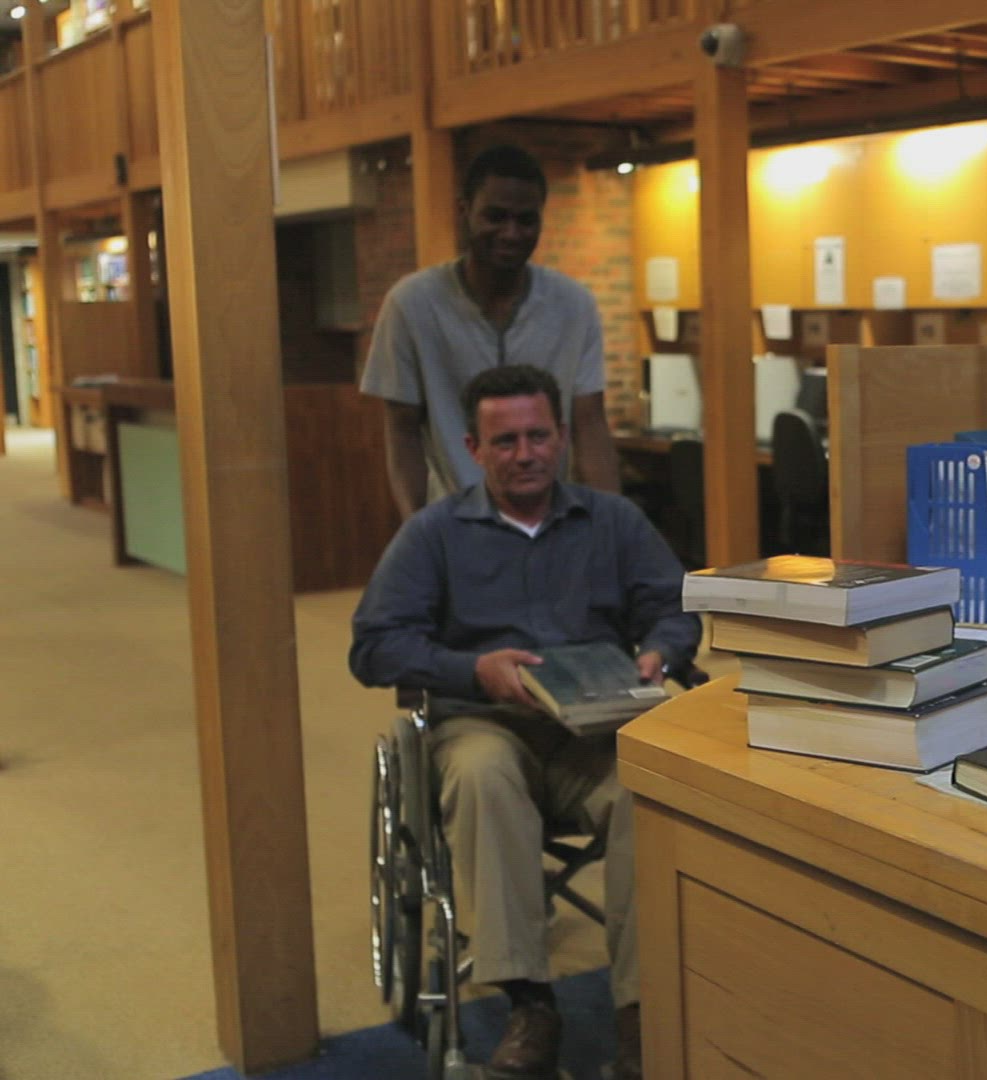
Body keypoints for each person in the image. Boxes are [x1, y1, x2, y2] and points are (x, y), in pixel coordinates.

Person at [349, 365, 697, 1078]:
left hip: (594, 733)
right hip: (485, 724)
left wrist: (661, 650)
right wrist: (471, 669)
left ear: (562, 437)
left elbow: (675, 606)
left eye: (538, 436)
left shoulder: (614, 521)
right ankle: (529, 1003)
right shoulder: (433, 534)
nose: (525, 453)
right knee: (484, 775)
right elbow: (374, 646)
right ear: (473, 448)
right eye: (505, 441)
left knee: (651, 792)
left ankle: (641, 1010)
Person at [361, 143, 621, 518]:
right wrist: (415, 528)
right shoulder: (411, 304)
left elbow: (590, 424)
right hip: (452, 521)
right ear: (464, 210)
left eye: (526, 220)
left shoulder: (573, 305)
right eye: (495, 217)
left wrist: (609, 525)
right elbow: (402, 431)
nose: (511, 233)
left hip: (549, 522)